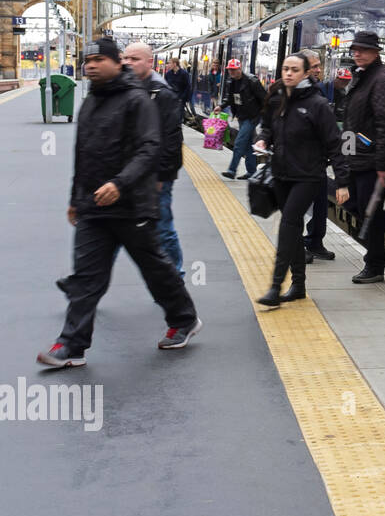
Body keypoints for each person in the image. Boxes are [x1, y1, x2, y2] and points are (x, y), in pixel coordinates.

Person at [39, 38, 202, 368]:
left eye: (99, 59)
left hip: (132, 205)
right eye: (88, 60)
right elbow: (82, 156)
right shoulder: (90, 103)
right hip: (93, 206)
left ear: (117, 63)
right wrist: (75, 199)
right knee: (86, 277)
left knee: (155, 268)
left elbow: (150, 148)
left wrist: (120, 183)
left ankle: (184, 319)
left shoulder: (136, 100)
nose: (91, 66)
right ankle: (71, 345)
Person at [252, 53, 350, 306]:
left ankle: (275, 287)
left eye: (294, 69)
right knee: (293, 229)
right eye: (285, 69)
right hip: (282, 174)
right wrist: (262, 139)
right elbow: (266, 127)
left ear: (306, 73)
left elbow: (334, 145)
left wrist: (342, 182)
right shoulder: (276, 99)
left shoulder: (318, 105)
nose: (288, 73)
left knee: (288, 224)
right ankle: (298, 286)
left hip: (308, 177)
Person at [342, 30, 385, 284]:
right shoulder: (361, 77)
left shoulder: (381, 80)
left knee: (368, 213)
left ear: (376, 52)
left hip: (372, 159)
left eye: (363, 49)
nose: (357, 53)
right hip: (355, 155)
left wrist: (384, 165)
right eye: (355, 49)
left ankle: (374, 266)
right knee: (349, 202)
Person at [122, 42, 185, 276]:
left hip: (154, 174)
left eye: (134, 59)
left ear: (150, 62)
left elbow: (171, 139)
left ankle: (176, 274)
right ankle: (87, 279)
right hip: (126, 172)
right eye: (125, 58)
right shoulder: (122, 88)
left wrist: (162, 174)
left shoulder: (162, 93)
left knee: (162, 227)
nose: (128, 63)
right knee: (110, 227)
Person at [299, 48, 334, 262]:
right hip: (299, 161)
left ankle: (315, 242)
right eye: (315, 66)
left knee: (320, 204)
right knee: (299, 207)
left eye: (319, 66)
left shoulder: (317, 91)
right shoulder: (289, 91)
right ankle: (297, 246)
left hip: (318, 160)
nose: (319, 70)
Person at [219, 57, 267, 179]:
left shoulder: (252, 81)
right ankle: (251, 172)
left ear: (240, 69)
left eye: (234, 70)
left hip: (252, 117)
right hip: (241, 116)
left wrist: (262, 115)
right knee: (247, 145)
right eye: (230, 70)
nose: (232, 72)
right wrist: (220, 106)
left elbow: (264, 98)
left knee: (239, 143)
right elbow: (229, 98)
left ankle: (232, 170)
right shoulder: (232, 82)